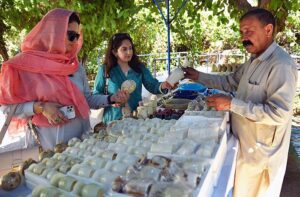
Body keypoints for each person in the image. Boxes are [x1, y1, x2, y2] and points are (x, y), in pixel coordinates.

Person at [183, 8, 297, 197]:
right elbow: (229, 82)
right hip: (245, 147)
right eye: (242, 32)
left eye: (249, 31)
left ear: (268, 30)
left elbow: (279, 114)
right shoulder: (254, 60)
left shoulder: (281, 65)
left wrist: (231, 104)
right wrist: (198, 76)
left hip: (261, 157)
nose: (243, 37)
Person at [0, 8, 129, 150]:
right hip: (47, 145)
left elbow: (86, 99)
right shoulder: (25, 66)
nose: (75, 41)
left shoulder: (74, 65)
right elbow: (8, 108)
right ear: (53, 32)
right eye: (71, 35)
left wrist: (111, 98)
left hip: (80, 143)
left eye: (77, 36)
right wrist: (39, 107)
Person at [93, 33, 173, 124]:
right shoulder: (105, 70)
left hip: (136, 119)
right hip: (112, 121)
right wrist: (111, 99)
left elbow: (153, 85)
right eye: (124, 49)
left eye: (130, 48)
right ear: (114, 52)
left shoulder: (139, 68)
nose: (129, 52)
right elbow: (96, 96)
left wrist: (164, 85)